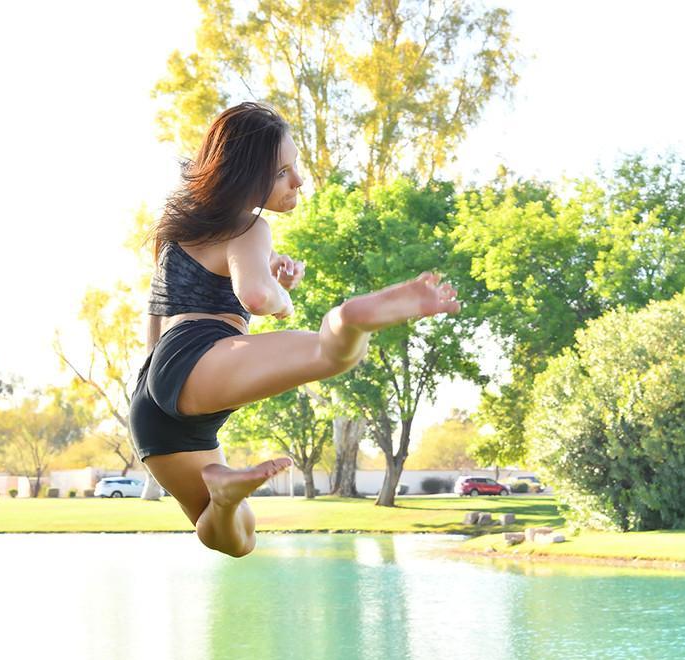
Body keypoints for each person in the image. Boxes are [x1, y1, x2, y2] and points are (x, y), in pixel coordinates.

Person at [130, 102, 460, 556]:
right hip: (197, 354)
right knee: (333, 352)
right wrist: (281, 298)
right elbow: (257, 299)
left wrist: (270, 277)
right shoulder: (249, 226)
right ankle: (349, 317)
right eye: (283, 171)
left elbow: (160, 319)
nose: (298, 180)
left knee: (238, 539)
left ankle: (225, 496)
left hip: (153, 403)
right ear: (246, 178)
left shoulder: (177, 232)